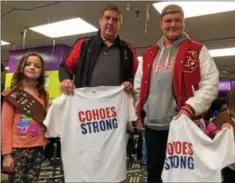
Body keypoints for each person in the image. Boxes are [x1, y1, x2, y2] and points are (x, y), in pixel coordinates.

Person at [134, 4, 219, 183]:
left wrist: (190, 108)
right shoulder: (149, 54)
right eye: (168, 21)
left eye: (177, 20)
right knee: (155, 174)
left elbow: (210, 84)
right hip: (152, 128)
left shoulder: (197, 50)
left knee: (184, 176)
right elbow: (138, 87)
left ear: (184, 23)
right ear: (161, 23)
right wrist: (139, 108)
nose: (173, 25)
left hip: (185, 128)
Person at [59, 4, 138, 94]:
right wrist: (66, 79)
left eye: (115, 20)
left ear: (120, 24)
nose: (110, 22)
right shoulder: (83, 44)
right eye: (107, 18)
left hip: (116, 105)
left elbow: (138, 75)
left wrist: (131, 83)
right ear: (100, 21)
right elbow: (65, 66)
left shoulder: (128, 50)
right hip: (86, 104)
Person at [1, 52, 49, 182]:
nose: (32, 67)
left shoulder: (44, 94)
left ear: (41, 71)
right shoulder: (12, 95)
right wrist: (6, 155)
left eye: (37, 66)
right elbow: (5, 126)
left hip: (38, 147)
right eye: (28, 64)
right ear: (21, 68)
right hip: (17, 150)